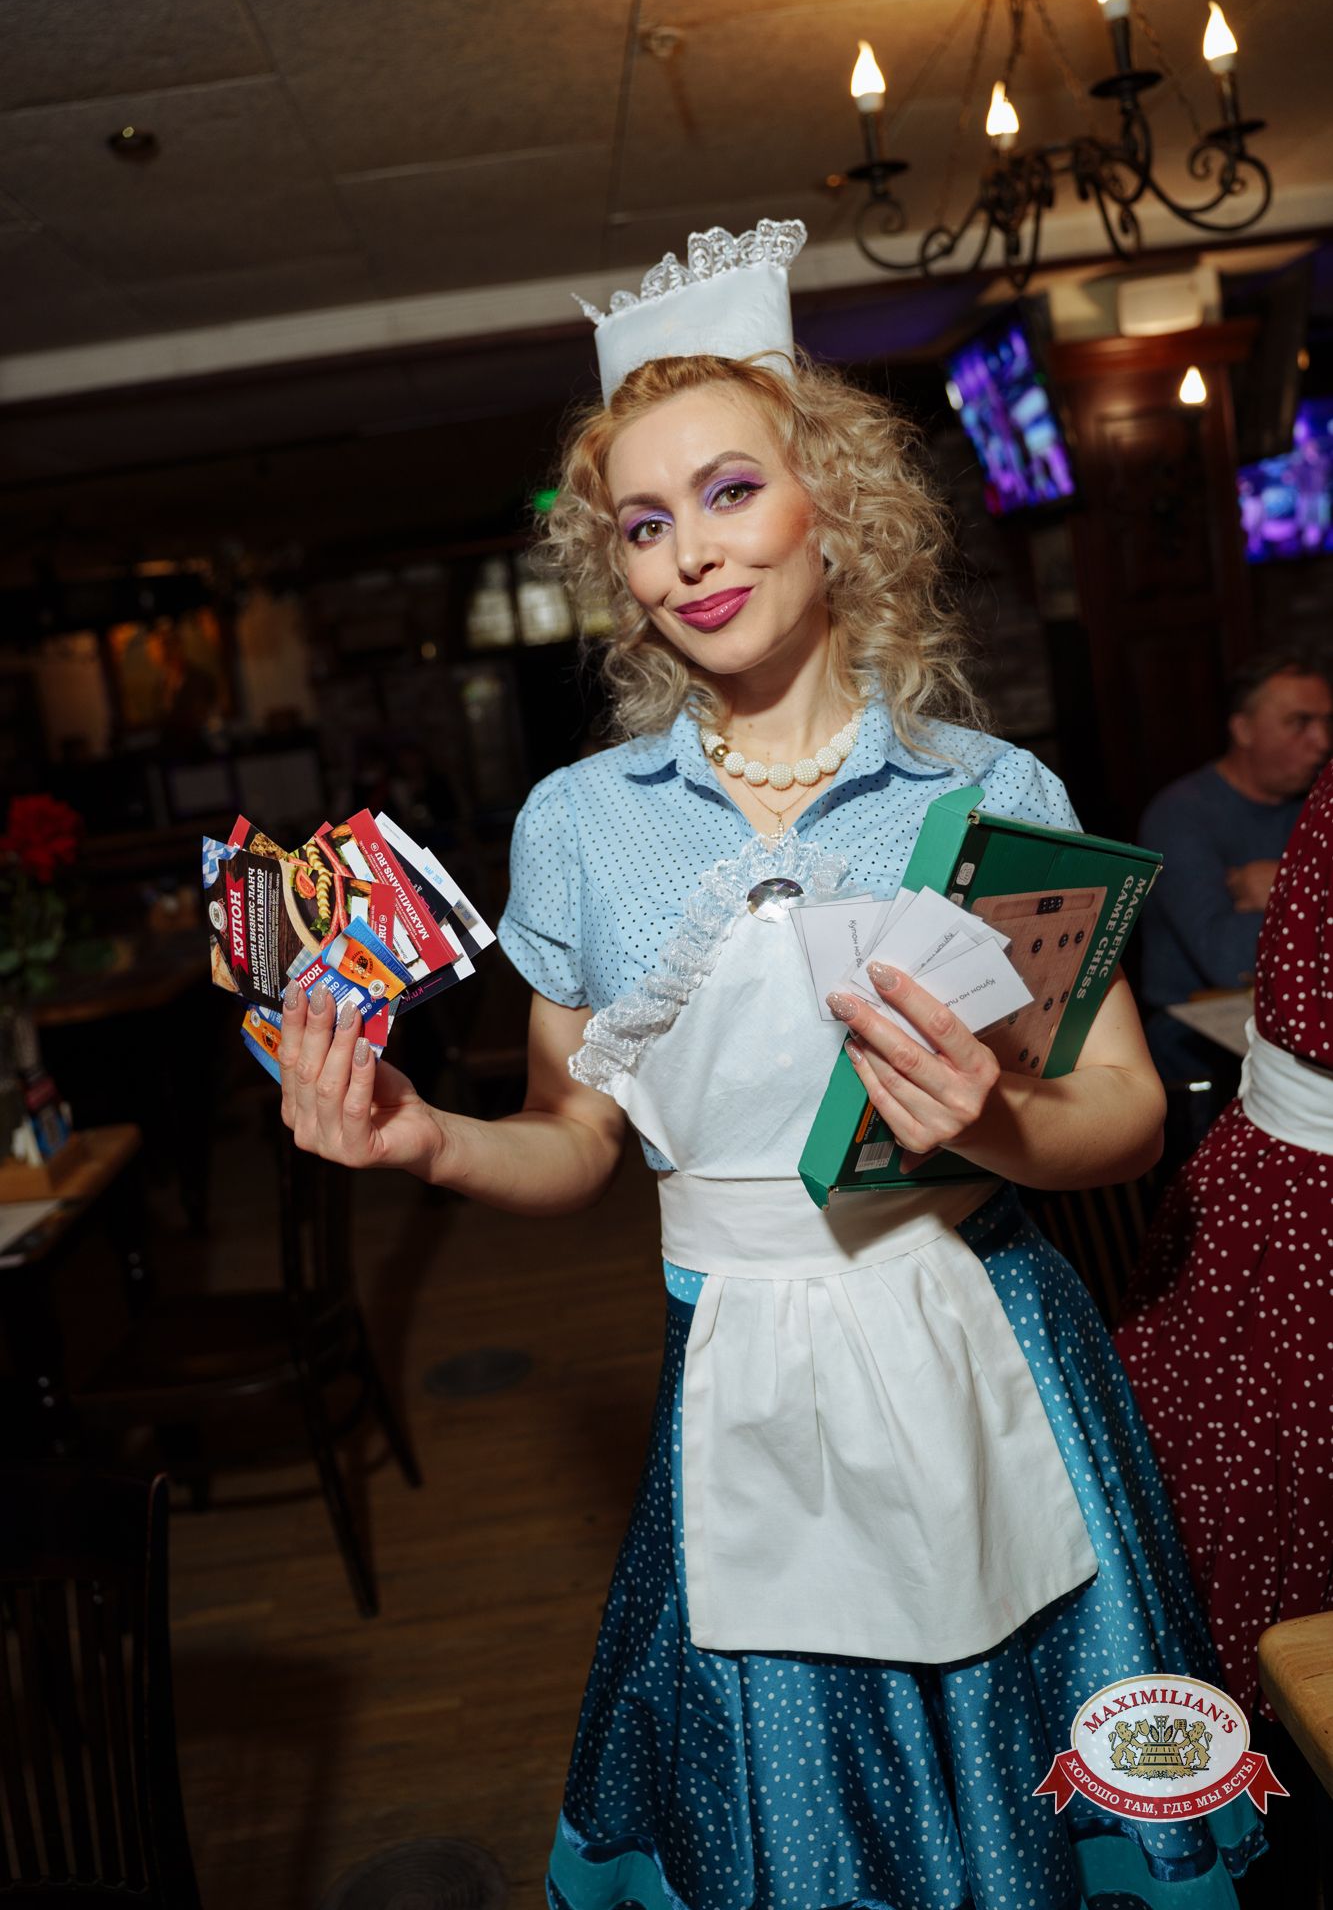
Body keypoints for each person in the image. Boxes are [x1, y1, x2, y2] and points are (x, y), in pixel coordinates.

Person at [277, 220, 1262, 1909]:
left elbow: (1120, 1120)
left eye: (729, 492)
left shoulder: (987, 793)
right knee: (792, 1837)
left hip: (990, 1352)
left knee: (1050, 1820)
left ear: (834, 506)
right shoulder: (583, 827)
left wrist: (995, 1119)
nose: (688, 555)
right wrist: (425, 1140)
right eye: (644, 523)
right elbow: (573, 1139)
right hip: (734, 1384)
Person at [1116, 758, 1333, 1908]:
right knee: (1260, 1557)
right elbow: (1217, 947)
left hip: (1272, 1182)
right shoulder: (1187, 810)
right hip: (1292, 1223)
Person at [1137, 654, 1331, 1099]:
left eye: (1326, 722)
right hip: (1192, 1035)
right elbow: (1225, 958)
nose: (1321, 741)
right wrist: (1310, 894)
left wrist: (1284, 887)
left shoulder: (1318, 803)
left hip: (1294, 1016)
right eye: (1300, 723)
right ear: (1243, 729)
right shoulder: (1180, 815)